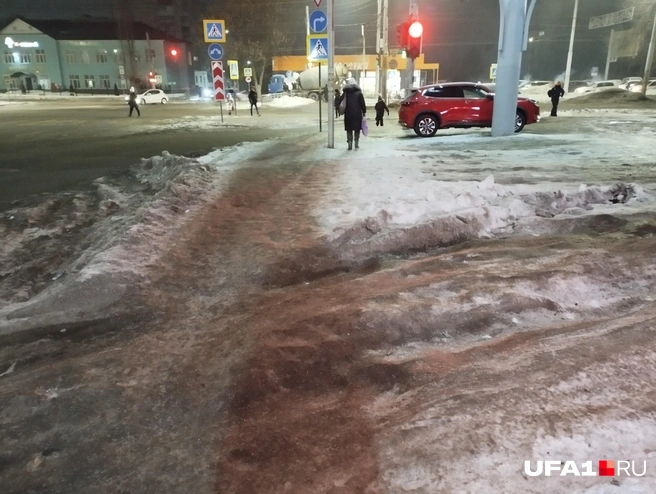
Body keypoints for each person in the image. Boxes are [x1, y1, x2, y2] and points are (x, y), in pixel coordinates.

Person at [337, 77, 366, 150]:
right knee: (357, 129)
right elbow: (362, 104)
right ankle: (356, 144)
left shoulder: (345, 93)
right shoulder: (359, 93)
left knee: (349, 129)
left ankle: (349, 144)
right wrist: (364, 112)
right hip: (357, 114)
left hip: (348, 114)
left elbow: (339, 102)